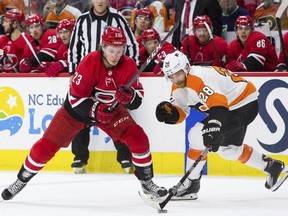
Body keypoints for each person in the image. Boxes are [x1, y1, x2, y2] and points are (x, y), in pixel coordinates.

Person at [1, 26, 168, 201]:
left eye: (119, 51)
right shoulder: (90, 62)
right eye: (111, 50)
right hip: (75, 113)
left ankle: (147, 183)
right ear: (102, 47)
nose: (115, 55)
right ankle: (20, 180)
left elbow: (138, 98)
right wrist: (95, 109)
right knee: (46, 146)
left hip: (111, 112)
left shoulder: (128, 65)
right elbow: (75, 99)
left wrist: (130, 97)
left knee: (138, 137)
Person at [155, 50, 287, 200]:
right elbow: (182, 112)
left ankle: (191, 184)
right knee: (228, 150)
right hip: (230, 107)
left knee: (196, 134)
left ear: (186, 68)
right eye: (170, 76)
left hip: (243, 104)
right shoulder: (177, 87)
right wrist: (171, 115)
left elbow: (218, 103)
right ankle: (272, 166)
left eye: (177, 74)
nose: (175, 79)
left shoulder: (198, 78)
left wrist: (213, 125)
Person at [68, 0, 139, 174]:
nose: (100, 1)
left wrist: (129, 73)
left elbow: (132, 46)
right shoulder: (82, 20)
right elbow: (74, 48)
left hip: (112, 79)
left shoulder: (118, 19)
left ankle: (124, 157)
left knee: (117, 114)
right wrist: (73, 73)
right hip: (88, 77)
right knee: (80, 115)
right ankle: (79, 157)